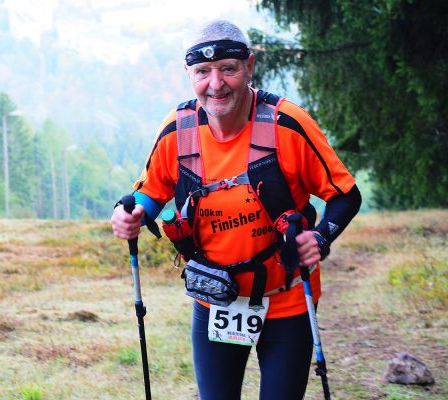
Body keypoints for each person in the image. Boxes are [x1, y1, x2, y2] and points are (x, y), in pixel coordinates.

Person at [111, 19, 361, 400]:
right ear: (188, 74)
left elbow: (345, 194)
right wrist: (131, 214)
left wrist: (320, 237)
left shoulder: (288, 126)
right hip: (214, 300)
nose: (216, 84)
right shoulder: (177, 132)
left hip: (288, 300)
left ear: (249, 66)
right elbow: (151, 191)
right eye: (203, 72)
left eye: (228, 69)